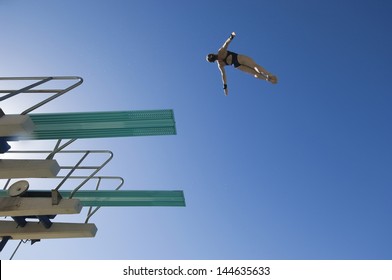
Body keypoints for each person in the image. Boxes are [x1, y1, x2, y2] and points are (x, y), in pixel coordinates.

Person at [206, 32, 278, 96]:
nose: (218, 59)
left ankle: (269, 75)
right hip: (238, 65)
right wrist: (225, 86)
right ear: (214, 60)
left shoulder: (220, 52)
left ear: (214, 55)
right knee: (255, 74)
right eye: (215, 59)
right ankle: (267, 78)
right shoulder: (220, 64)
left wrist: (231, 36)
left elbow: (226, 44)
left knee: (255, 67)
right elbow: (223, 75)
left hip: (239, 59)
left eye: (216, 57)